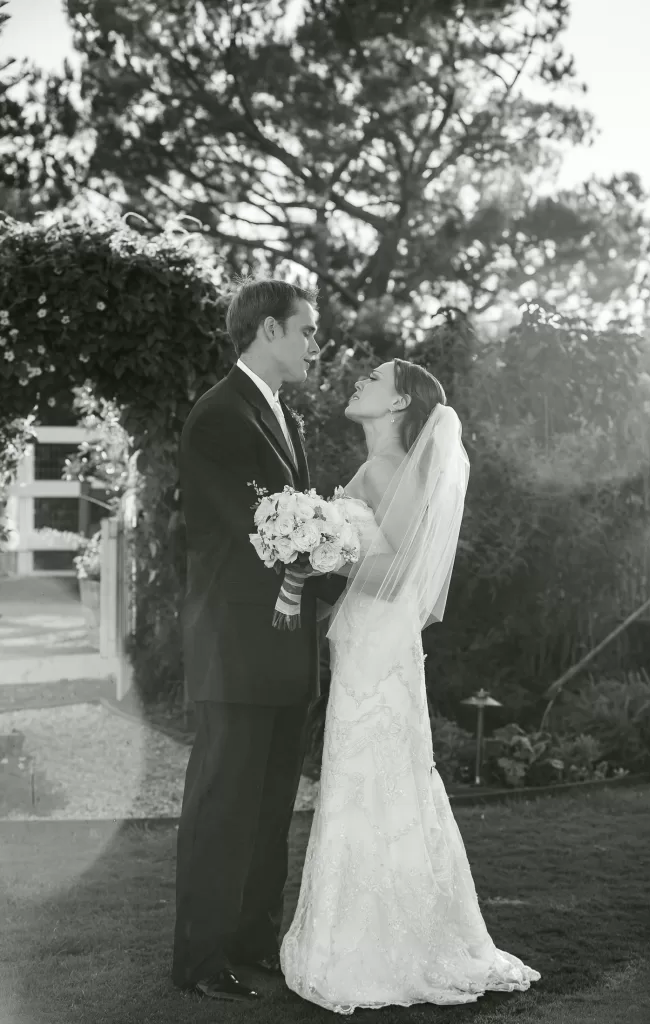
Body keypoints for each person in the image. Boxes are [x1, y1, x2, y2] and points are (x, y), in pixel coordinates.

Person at [280, 359, 541, 1013]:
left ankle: (373, 946)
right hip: (370, 639)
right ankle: (359, 935)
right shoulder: (373, 469)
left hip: (377, 643)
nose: (358, 382)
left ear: (398, 404)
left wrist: (320, 553)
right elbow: (369, 557)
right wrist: (314, 548)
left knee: (373, 779)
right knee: (368, 778)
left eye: (372, 379)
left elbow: (391, 572)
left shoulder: (390, 470)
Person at [172, 278, 347, 1002]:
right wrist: (308, 548)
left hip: (284, 651)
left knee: (272, 804)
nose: (315, 344)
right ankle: (200, 959)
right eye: (307, 330)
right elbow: (234, 534)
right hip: (236, 651)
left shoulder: (281, 415)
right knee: (223, 805)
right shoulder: (219, 414)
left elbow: (287, 524)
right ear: (268, 330)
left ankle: (252, 938)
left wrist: (325, 554)